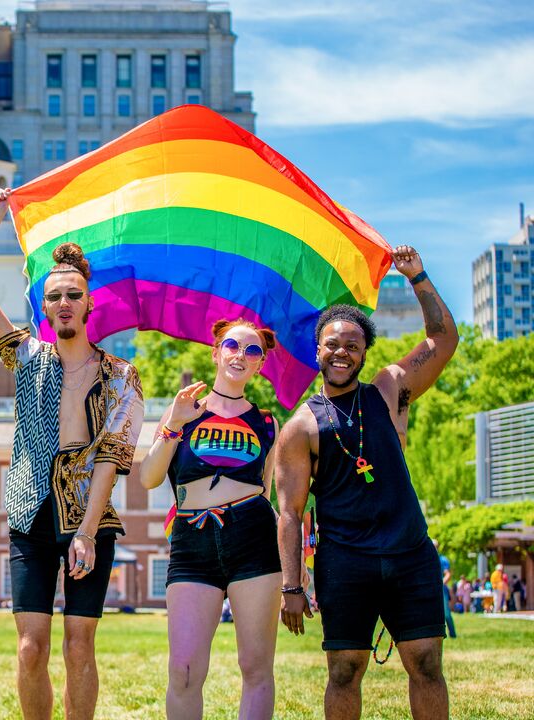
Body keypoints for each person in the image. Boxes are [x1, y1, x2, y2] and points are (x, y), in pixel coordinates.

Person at [0, 187, 144, 720]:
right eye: (55, 296)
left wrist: (86, 533)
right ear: (44, 305)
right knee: (30, 648)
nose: (65, 303)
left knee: (78, 646)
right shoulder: (26, 356)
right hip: (29, 513)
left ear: (89, 303)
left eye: (74, 295)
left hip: (90, 517)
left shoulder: (121, 376)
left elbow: (112, 457)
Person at [275, 245, 457, 719]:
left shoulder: (389, 390)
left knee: (427, 663)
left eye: (353, 345)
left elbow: (442, 339)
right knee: (343, 671)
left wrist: (417, 276)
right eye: (333, 343)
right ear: (318, 349)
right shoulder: (300, 428)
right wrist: (291, 586)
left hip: (409, 553)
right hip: (345, 562)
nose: (342, 352)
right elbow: (290, 513)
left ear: (363, 353)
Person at [139, 319, 282, 720]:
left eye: (252, 351)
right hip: (192, 542)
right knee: (183, 671)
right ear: (216, 352)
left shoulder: (268, 423)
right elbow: (149, 477)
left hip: (252, 539)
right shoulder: (184, 411)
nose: (241, 355)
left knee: (255, 668)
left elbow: (265, 491)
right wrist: (173, 424)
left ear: (260, 364)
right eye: (233, 345)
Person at [433, 540, 456, 639]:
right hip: (429, 588)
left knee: (446, 614)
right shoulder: (426, 558)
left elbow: (448, 574)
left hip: (441, 589)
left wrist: (440, 583)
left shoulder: (442, 559)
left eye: (435, 546)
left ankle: (453, 634)